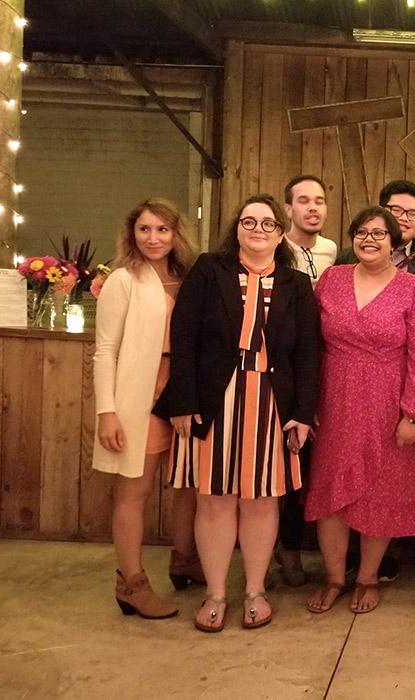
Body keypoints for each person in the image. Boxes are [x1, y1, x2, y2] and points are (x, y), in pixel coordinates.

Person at [156, 193, 321, 633]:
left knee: (263, 499)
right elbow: (184, 338)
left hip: (271, 401)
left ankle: (254, 591)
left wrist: (303, 413)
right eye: (250, 222)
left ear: (280, 233)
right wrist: (183, 403)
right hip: (215, 400)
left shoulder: (296, 284)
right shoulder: (209, 271)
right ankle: (215, 593)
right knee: (213, 498)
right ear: (237, 229)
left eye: (268, 224)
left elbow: (308, 354)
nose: (258, 230)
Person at [304, 205, 415, 615]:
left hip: (387, 403)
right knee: (330, 489)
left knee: (381, 487)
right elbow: (309, 345)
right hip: (334, 398)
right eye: (361, 232)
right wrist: (306, 403)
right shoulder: (331, 279)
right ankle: (333, 578)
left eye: (379, 233)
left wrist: (412, 413)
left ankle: (366, 577)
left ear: (394, 241)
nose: (369, 239)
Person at [93, 197, 198, 620]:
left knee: (190, 483)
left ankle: (185, 558)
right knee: (135, 489)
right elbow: (104, 349)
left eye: (162, 229)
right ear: (132, 234)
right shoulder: (123, 280)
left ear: (176, 235)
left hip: (186, 391)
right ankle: (131, 582)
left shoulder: (190, 277)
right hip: (141, 395)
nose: (153, 238)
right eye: (145, 229)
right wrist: (107, 411)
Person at [273, 175, 337, 589]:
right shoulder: (278, 249)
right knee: (285, 466)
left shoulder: (334, 250)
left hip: (328, 363)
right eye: (303, 201)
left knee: (316, 467)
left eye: (319, 200)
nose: (312, 208)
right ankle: (287, 551)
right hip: (287, 365)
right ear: (288, 208)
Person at [336, 180, 415, 285]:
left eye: (412, 213)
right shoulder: (348, 257)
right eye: (396, 210)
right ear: (380, 211)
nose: (404, 218)